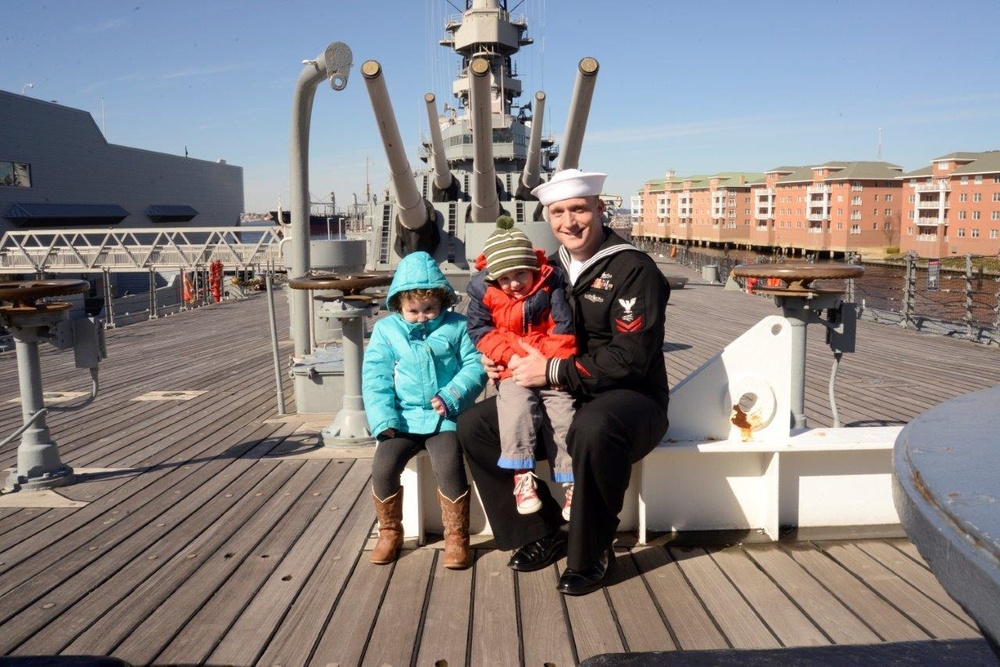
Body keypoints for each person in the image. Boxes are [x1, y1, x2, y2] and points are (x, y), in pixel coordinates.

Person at [458, 169, 671, 595]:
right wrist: (498, 361)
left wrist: (551, 371)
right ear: (548, 216)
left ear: (599, 209)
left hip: (629, 399)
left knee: (592, 427)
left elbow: (630, 359)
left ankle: (592, 550)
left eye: (579, 209)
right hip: (559, 389)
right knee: (475, 427)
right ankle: (543, 529)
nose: (569, 222)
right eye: (558, 213)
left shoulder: (632, 269)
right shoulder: (545, 271)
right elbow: (506, 325)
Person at [362, 251, 487, 569]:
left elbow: (475, 365)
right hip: (402, 418)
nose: (422, 316)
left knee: (448, 465)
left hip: (445, 415)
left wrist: (453, 395)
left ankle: (457, 536)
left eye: (430, 309)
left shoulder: (458, 327)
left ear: (443, 301)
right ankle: (390, 531)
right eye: (412, 311)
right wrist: (384, 419)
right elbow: (375, 378)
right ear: (399, 305)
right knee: (384, 466)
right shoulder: (387, 331)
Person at [466, 215, 577, 519]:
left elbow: (562, 327)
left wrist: (550, 365)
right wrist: (510, 358)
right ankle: (522, 475)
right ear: (493, 278)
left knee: (563, 412)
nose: (514, 283)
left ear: (532, 268)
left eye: (520, 274)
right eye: (505, 278)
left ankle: (571, 483)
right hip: (512, 365)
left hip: (549, 362)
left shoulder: (549, 284)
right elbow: (480, 332)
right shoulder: (484, 294)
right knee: (517, 408)